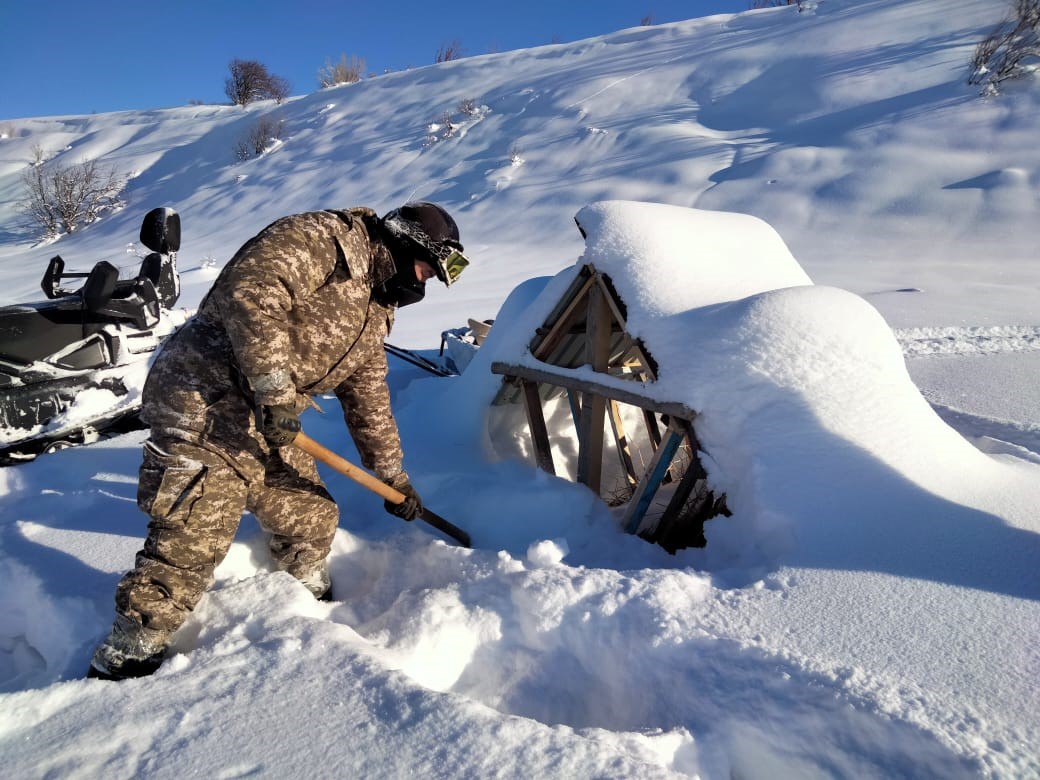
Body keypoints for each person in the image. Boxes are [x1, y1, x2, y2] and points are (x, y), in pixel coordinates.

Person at [88, 202, 469, 680]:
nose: (424, 283)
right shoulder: (325, 241)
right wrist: (274, 393)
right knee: (195, 532)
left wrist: (393, 475)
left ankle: (306, 606)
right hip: (206, 398)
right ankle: (128, 654)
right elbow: (252, 292)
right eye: (426, 269)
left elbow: (368, 393)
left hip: (269, 418)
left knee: (311, 514)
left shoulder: (376, 305)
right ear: (404, 245)